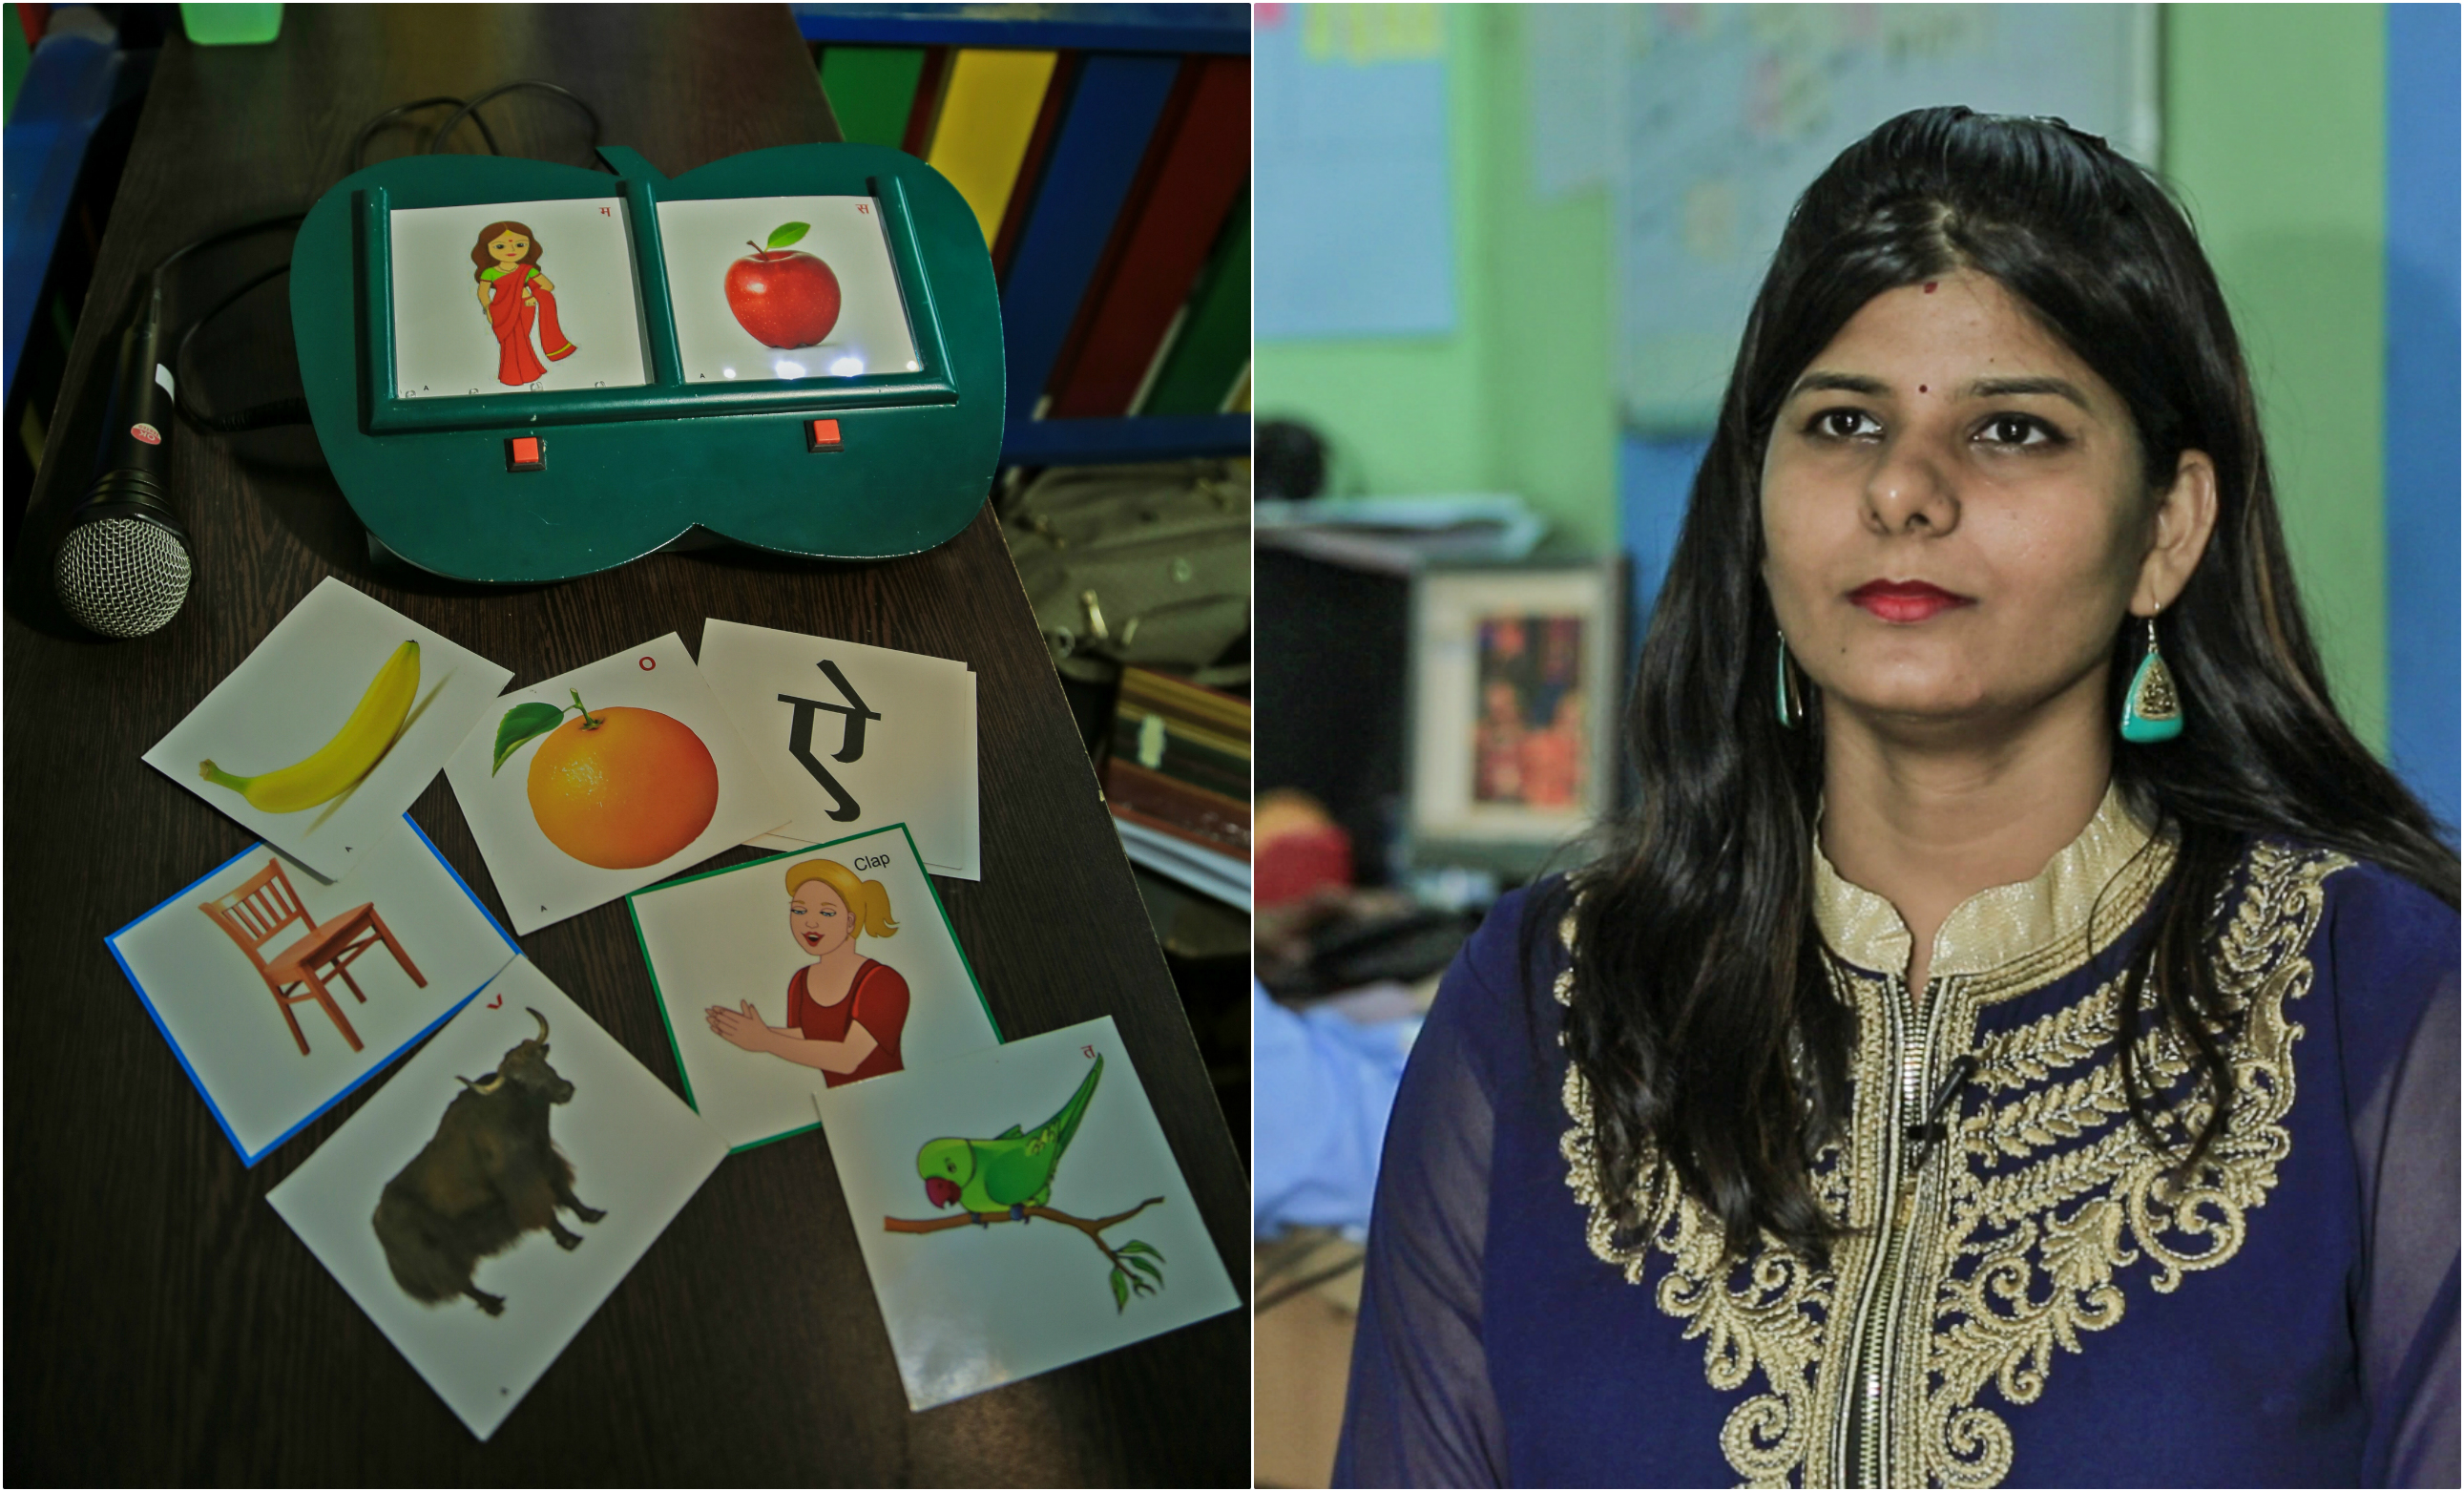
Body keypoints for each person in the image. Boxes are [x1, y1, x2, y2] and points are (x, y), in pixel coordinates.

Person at [1334, 108, 2458, 1489]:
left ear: (2165, 529)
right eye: (1843, 422)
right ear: (1755, 505)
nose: (1902, 490)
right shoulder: (1549, 1000)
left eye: (2011, 429)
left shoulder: (2379, 1006)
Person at [706, 858, 909, 1086]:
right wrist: (748, 1031)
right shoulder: (801, 980)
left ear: (850, 922)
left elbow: (847, 1058)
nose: (810, 923)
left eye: (827, 913)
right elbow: (806, 1036)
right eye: (799, 910)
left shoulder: (884, 982)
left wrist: (765, 1040)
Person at [470, 220, 575, 387]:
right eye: (500, 246)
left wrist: (535, 297)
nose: (511, 250)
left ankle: (529, 371)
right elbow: (482, 292)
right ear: (486, 249)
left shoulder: (526, 270)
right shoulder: (490, 272)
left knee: (521, 338)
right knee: (507, 342)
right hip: (501, 310)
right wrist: (488, 308)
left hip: (525, 306)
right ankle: (512, 375)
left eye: (520, 245)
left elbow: (547, 286)